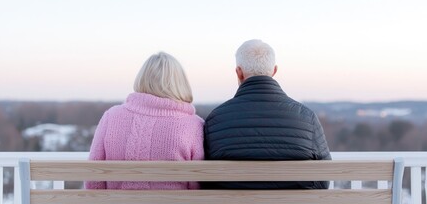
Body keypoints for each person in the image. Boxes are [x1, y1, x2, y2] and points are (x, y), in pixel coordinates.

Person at [203, 39, 331, 189]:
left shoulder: (215, 119)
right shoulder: (307, 117)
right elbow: (324, 179)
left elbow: (206, 179)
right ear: (274, 71)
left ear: (239, 72)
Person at [86, 52, 204, 190]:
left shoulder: (111, 116)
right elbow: (197, 184)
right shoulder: (194, 126)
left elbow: (93, 178)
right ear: (180, 83)